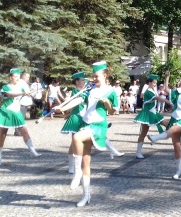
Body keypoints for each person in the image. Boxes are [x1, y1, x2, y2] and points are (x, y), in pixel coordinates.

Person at [52, 61, 118, 207]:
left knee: (76, 137)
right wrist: (62, 108)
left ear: (105, 75)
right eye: (93, 76)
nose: (94, 79)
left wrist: (107, 103)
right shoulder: (90, 90)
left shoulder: (111, 91)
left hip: (98, 126)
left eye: (96, 76)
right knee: (85, 162)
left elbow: (113, 111)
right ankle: (86, 195)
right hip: (87, 124)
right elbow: (78, 100)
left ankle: (76, 174)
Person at [0, 68, 42, 165]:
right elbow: (10, 95)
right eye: (15, 77)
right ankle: (0, 156)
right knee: (2, 135)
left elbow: (25, 97)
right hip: (6, 111)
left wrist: (32, 93)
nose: (17, 79)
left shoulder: (21, 87)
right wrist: (23, 93)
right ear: (10, 77)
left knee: (24, 131)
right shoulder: (5, 87)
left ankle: (32, 151)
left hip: (16, 111)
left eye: (19, 77)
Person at [133, 74, 171, 159]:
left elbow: (165, 90)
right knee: (143, 133)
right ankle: (138, 152)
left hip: (153, 112)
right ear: (149, 82)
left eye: (156, 83)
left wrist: (166, 77)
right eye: (154, 82)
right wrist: (166, 101)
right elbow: (156, 98)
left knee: (167, 124)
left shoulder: (154, 90)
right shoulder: (148, 91)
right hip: (147, 114)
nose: (155, 84)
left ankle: (178, 136)